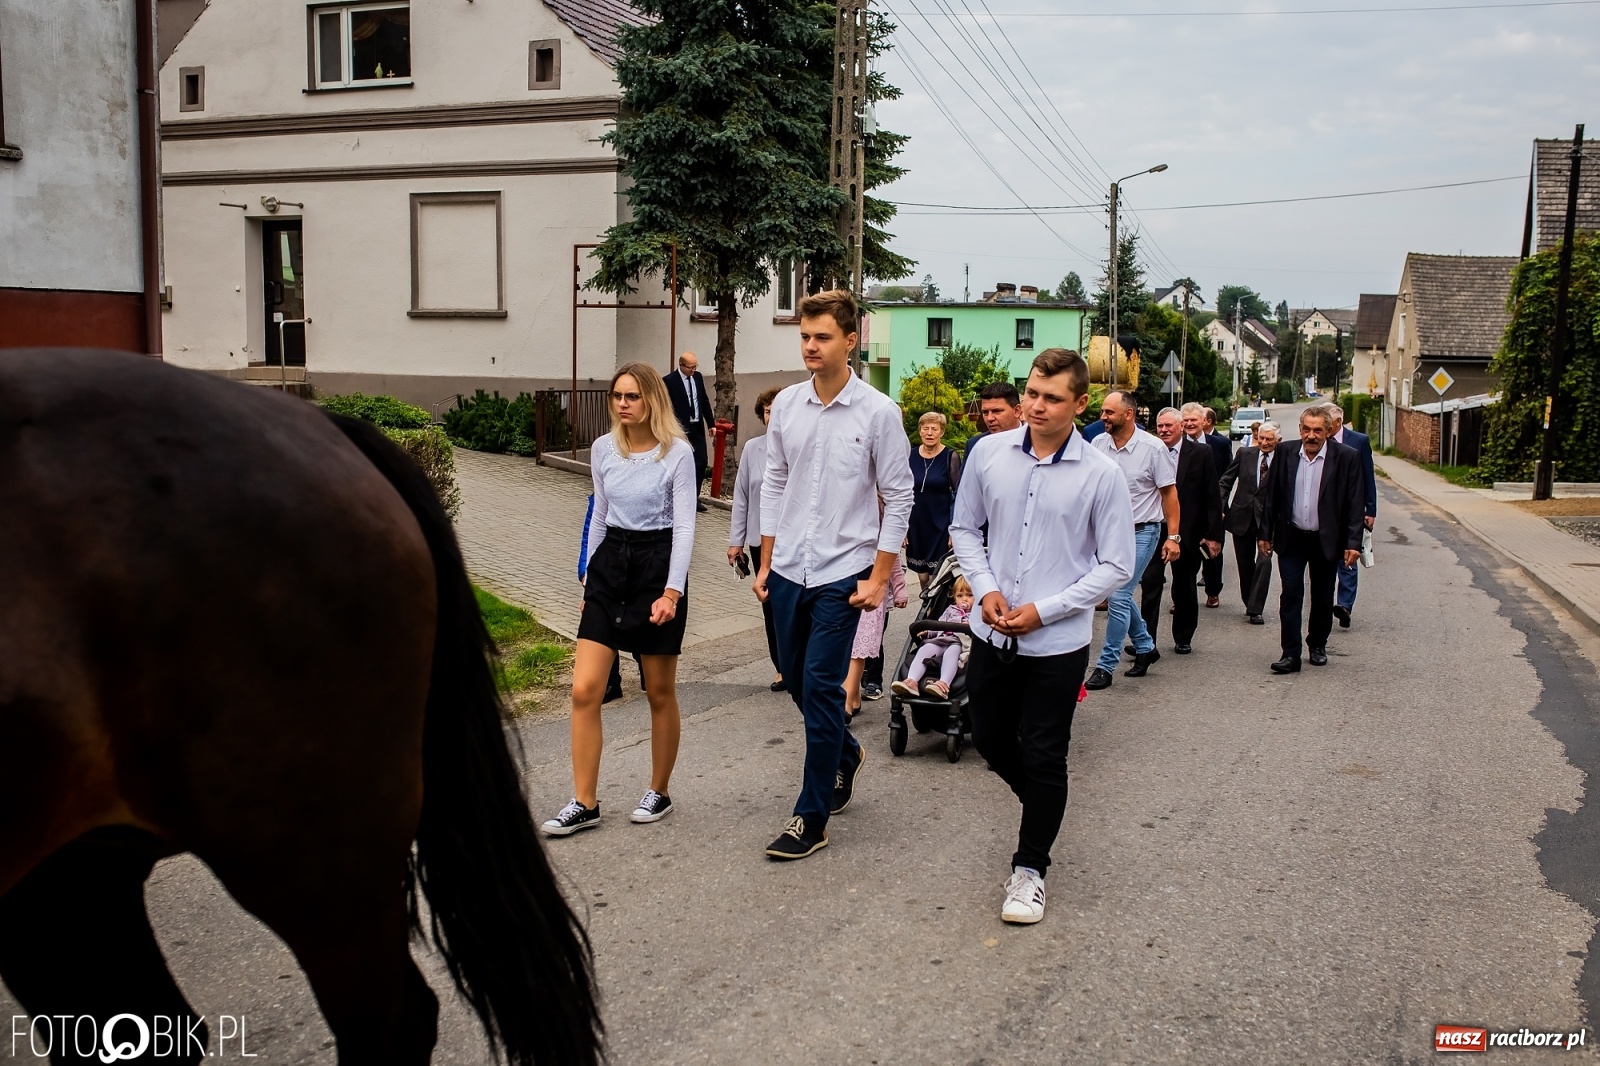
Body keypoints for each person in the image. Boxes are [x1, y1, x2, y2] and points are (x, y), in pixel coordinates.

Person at [949, 348, 1134, 925]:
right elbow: (964, 528)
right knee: (989, 736)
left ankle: (1030, 869)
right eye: (1031, 392)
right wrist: (983, 587)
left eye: (1052, 398)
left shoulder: (1102, 474)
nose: (1035, 405)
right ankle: (1045, 805)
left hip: (1056, 644)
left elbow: (1116, 565)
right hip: (990, 629)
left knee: (1048, 755)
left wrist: (1045, 610)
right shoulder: (987, 454)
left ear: (1081, 405)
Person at [754, 289, 913, 860]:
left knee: (821, 687)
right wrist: (766, 562)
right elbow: (773, 482)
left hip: (843, 573)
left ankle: (810, 816)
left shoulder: (878, 413)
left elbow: (899, 497)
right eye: (804, 336)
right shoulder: (790, 406)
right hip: (789, 568)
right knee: (796, 681)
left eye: (822, 337)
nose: (811, 347)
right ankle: (845, 755)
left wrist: (877, 576)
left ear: (851, 340)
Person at [543, 362, 696, 835]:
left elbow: (687, 526)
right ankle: (584, 801)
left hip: (657, 566)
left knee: (658, 692)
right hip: (610, 569)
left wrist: (672, 590)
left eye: (632, 396)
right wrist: (589, 577)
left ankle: (659, 791)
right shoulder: (603, 449)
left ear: (652, 399)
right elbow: (600, 515)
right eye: (617, 396)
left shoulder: (678, 454)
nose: (623, 404)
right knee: (585, 689)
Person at [1259, 406, 1364, 673]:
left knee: (1322, 595)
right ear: (1300, 429)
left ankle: (1317, 644)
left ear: (1329, 431)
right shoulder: (1284, 453)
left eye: (1318, 430)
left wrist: (1353, 543)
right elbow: (1272, 496)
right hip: (1291, 537)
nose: (1311, 435)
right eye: (1307, 429)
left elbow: (1355, 503)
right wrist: (1265, 534)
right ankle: (1290, 654)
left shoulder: (1346, 457)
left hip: (1325, 539)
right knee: (1291, 594)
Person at [1085, 390, 1179, 690]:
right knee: (1118, 593)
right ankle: (1145, 645)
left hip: (1142, 532)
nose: (1103, 417)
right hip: (1107, 533)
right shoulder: (1098, 444)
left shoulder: (1152, 448)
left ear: (1128, 414)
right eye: (1102, 412)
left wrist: (1173, 536)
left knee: (1118, 595)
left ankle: (1105, 665)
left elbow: (1169, 494)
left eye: (1109, 412)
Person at [729, 387, 785, 691]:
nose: (773, 415)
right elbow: (741, 498)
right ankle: (781, 668)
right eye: (767, 410)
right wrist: (735, 541)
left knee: (794, 606)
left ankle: (799, 663)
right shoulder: (752, 449)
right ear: (762, 416)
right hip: (759, 540)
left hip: (793, 541)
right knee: (771, 606)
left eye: (778, 409)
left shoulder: (800, 447)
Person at [1165, 406, 1223, 654]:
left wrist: (1213, 534)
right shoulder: (1153, 450)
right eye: (1161, 427)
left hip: (1189, 530)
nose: (1165, 431)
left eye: (1170, 426)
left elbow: (1212, 495)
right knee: (1152, 583)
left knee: (1185, 583)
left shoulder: (1202, 452)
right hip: (1157, 527)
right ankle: (1143, 639)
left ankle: (1183, 636)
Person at [1218, 420, 1281, 624]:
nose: (1264, 442)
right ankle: (1249, 601)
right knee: (1245, 565)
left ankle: (1256, 608)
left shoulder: (1284, 459)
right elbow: (1226, 481)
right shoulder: (1245, 454)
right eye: (1261, 438)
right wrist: (1220, 506)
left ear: (1278, 440)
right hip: (1242, 516)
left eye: (1269, 439)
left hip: (1268, 520)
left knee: (1264, 561)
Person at [846, 534, 907, 719]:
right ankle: (854, 695)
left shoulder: (880, 527)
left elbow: (893, 559)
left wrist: (899, 590)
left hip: (870, 589)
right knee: (848, 645)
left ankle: (846, 701)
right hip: (843, 585)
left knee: (859, 645)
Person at [1328, 405, 1377, 629]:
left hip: (1352, 510)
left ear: (1338, 421)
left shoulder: (1358, 441)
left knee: (1349, 556)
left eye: (1327, 422)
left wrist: (1370, 510)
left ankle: (1345, 605)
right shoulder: (1318, 440)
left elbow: (1368, 475)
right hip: (1327, 511)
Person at [890, 575, 974, 699]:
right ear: (954, 597)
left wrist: (972, 624)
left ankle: (943, 684)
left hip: (959, 643)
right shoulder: (951, 610)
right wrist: (929, 632)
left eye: (969, 595)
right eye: (960, 596)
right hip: (941, 640)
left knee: (952, 653)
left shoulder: (978, 613)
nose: (964, 599)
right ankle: (911, 681)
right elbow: (939, 625)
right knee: (926, 648)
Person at [906, 412, 962, 591]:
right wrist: (901, 527)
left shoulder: (950, 457)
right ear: (920, 431)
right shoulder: (909, 455)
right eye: (925, 428)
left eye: (934, 429)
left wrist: (955, 528)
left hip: (940, 525)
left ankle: (934, 615)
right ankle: (930, 611)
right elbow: (901, 492)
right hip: (916, 524)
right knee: (922, 576)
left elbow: (959, 494)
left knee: (937, 576)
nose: (929, 433)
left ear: (941, 432)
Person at [663, 351, 713, 512]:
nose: (693, 370)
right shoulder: (669, 381)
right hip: (679, 429)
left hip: (696, 426)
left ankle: (694, 498)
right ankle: (675, 497)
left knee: (701, 461)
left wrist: (711, 423)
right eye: (690, 367)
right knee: (679, 463)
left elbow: (703, 400)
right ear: (681, 366)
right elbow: (666, 408)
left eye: (695, 366)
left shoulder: (697, 378)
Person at [1199, 407, 1234, 607]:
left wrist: (1219, 505)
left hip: (1214, 507)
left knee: (1211, 551)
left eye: (1195, 420)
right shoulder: (1179, 444)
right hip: (1187, 508)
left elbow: (1227, 477)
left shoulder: (1220, 443)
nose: (1189, 424)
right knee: (1186, 554)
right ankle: (1181, 597)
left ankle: (1213, 591)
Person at [964, 381, 1024, 458]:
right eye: (985, 412)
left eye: (997, 411)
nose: (989, 418)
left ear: (1017, 411)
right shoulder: (974, 445)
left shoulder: (1036, 443)